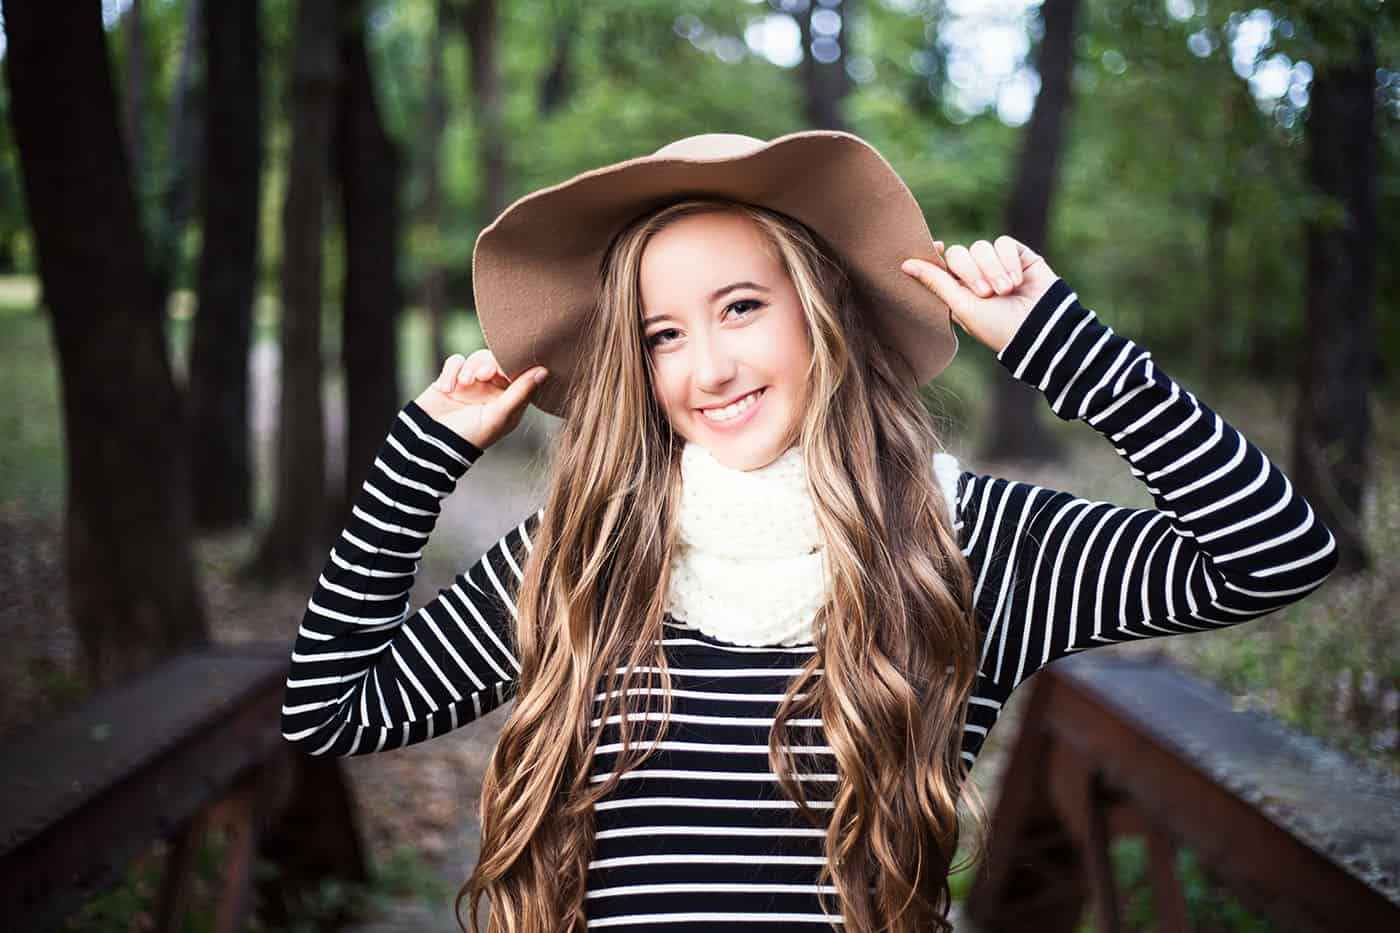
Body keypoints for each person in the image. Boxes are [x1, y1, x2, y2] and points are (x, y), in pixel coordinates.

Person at [280, 132, 1339, 933]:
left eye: (740, 307)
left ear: (819, 307)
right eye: (662, 334)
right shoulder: (586, 547)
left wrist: (1058, 344)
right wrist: (415, 463)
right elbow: (329, 713)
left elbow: (1273, 552)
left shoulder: (964, 539)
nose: (707, 369)